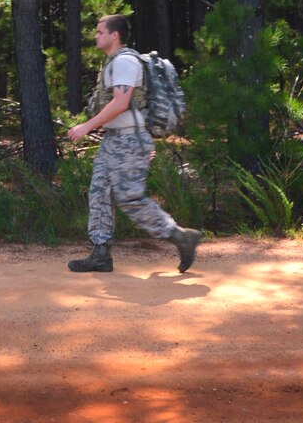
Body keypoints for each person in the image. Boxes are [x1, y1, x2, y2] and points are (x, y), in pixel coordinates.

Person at [64, 14, 202, 273]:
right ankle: (101, 254)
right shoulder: (113, 62)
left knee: (129, 198)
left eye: (100, 31)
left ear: (114, 35)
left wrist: (86, 127)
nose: (96, 36)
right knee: (99, 192)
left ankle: (180, 236)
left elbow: (121, 102)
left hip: (129, 140)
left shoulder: (126, 61)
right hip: (114, 140)